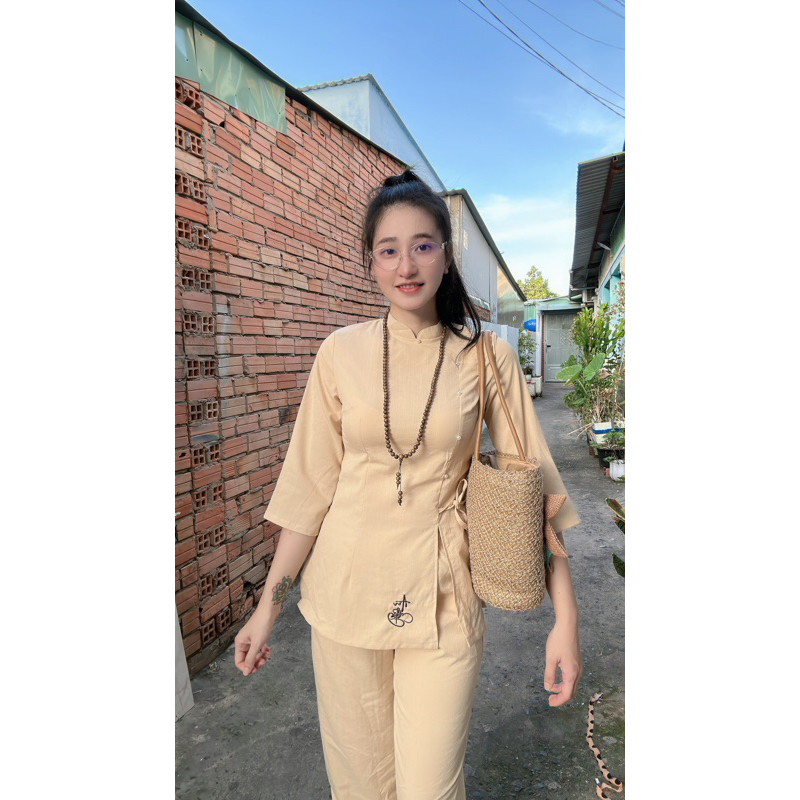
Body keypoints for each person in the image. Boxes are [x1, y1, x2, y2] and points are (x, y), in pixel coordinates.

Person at [234, 170, 582, 800]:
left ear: (446, 257)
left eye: (422, 246)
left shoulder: (487, 357)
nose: (406, 265)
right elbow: (308, 492)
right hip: (344, 595)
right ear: (370, 262)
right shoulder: (339, 353)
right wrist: (267, 608)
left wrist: (566, 621)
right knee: (359, 784)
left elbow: (537, 492)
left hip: (444, 598)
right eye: (388, 249)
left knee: (429, 788)